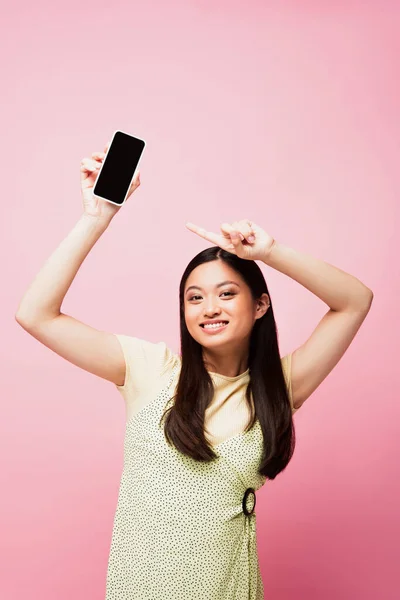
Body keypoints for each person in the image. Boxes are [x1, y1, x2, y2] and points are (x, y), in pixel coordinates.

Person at [15, 142, 374, 599]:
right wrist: (96, 217)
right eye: (194, 297)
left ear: (261, 304)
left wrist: (270, 251)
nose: (209, 308)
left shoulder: (278, 389)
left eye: (226, 293)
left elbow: (354, 302)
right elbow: (36, 315)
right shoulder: (150, 370)